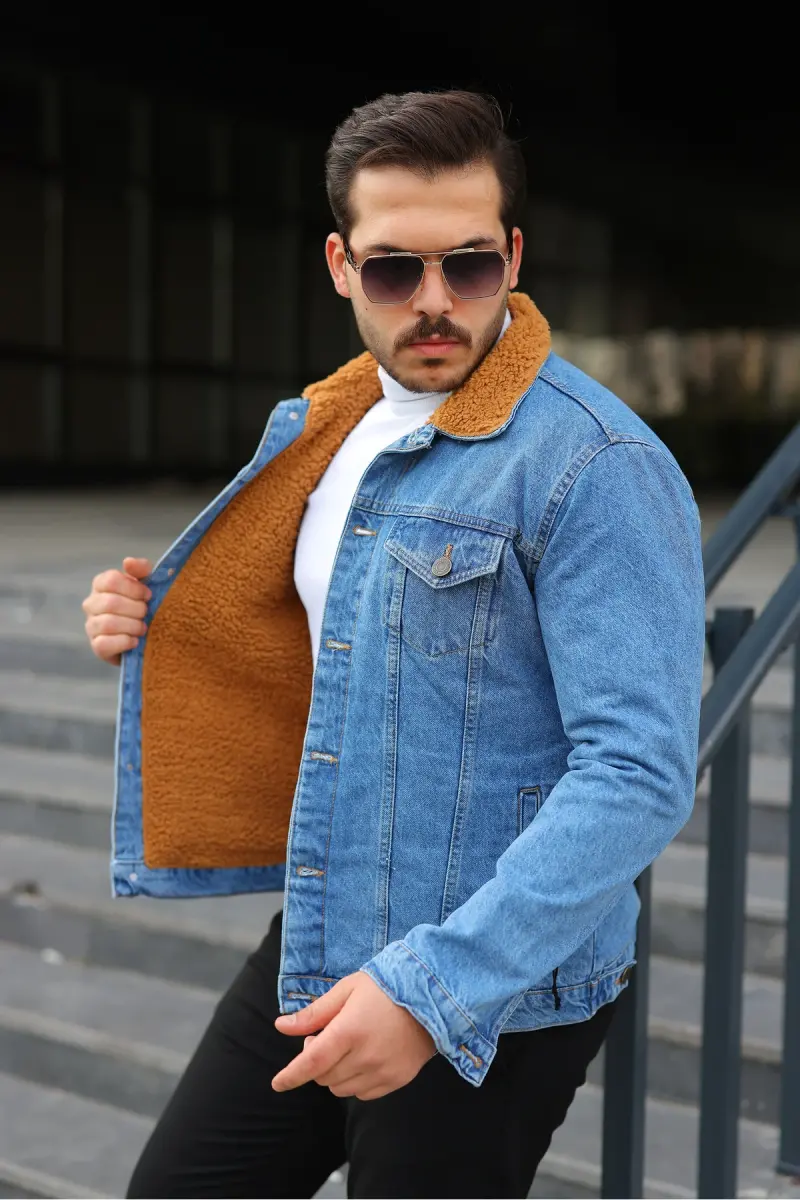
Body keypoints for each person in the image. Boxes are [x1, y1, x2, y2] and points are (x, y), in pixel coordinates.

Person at [81, 90, 706, 1199]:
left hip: (496, 982)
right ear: (340, 265)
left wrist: (431, 992)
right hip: (329, 924)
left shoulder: (595, 462)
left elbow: (638, 771)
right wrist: (154, 619)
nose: (433, 302)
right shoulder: (328, 429)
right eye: (392, 270)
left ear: (514, 257)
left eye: (468, 265)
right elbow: (323, 642)